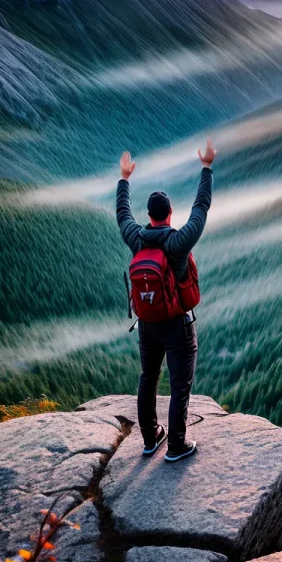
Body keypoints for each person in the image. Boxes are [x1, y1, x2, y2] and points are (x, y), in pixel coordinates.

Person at [116, 139, 216, 461]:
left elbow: (122, 213)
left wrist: (124, 178)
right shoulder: (177, 243)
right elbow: (201, 210)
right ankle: (176, 446)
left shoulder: (137, 238)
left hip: (147, 324)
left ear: (149, 215)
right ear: (170, 214)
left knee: (148, 378)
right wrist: (206, 168)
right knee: (179, 386)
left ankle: (150, 438)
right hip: (177, 326)